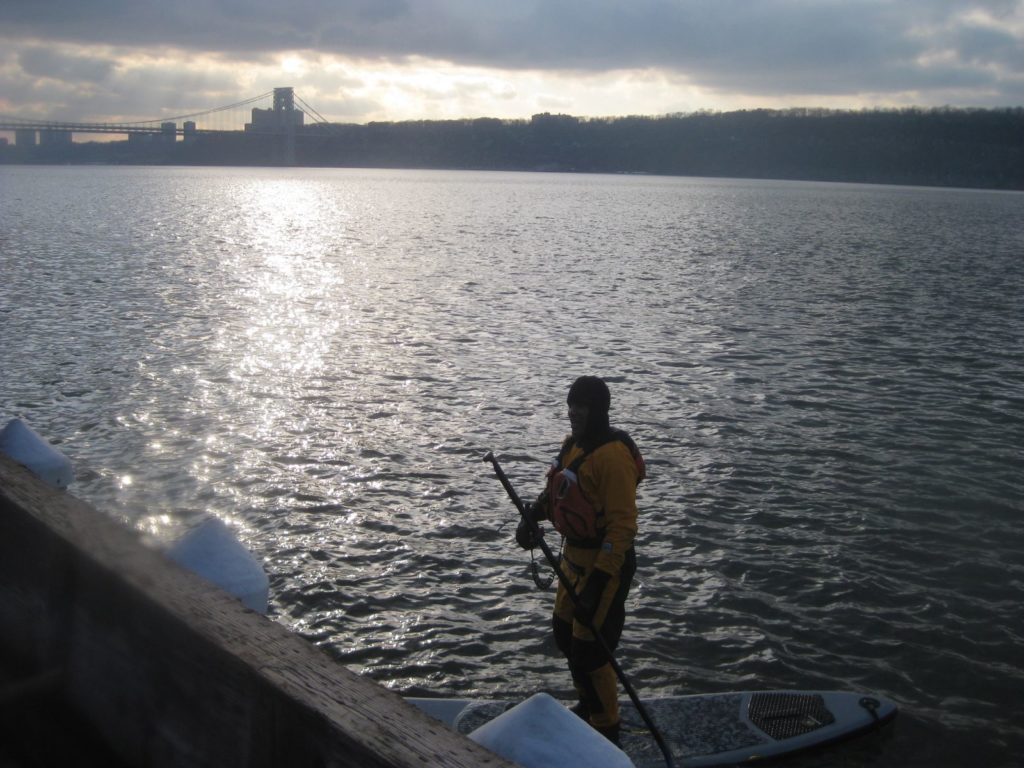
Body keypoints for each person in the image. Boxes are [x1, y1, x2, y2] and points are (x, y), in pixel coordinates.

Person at [516, 375, 646, 744]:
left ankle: (607, 726)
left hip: (606, 566)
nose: (573, 413)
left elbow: (622, 528)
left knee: (590, 648)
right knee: (564, 634)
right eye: (571, 405)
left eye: (581, 407)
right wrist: (531, 520)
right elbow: (556, 495)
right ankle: (588, 705)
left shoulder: (613, 458)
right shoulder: (572, 446)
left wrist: (601, 582)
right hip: (572, 559)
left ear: (598, 410)